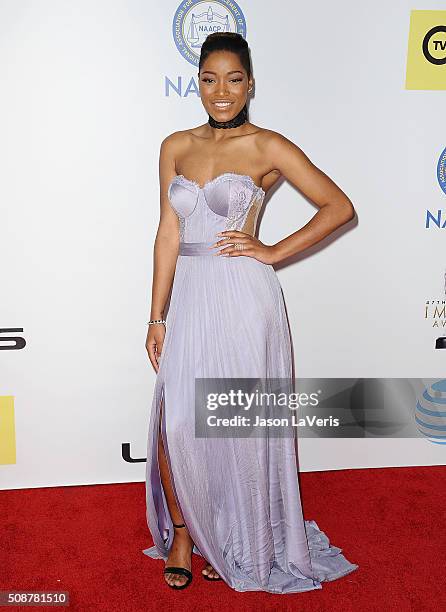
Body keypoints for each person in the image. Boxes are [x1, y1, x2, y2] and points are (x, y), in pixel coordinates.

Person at [142, 31, 358, 594]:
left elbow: (339, 207)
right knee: (178, 421)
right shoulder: (174, 146)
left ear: (250, 84)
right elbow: (169, 232)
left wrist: (271, 251)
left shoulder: (268, 146)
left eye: (233, 79)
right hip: (189, 295)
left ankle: (236, 537)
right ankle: (186, 533)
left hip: (243, 297)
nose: (221, 90)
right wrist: (155, 315)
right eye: (210, 78)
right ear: (197, 82)